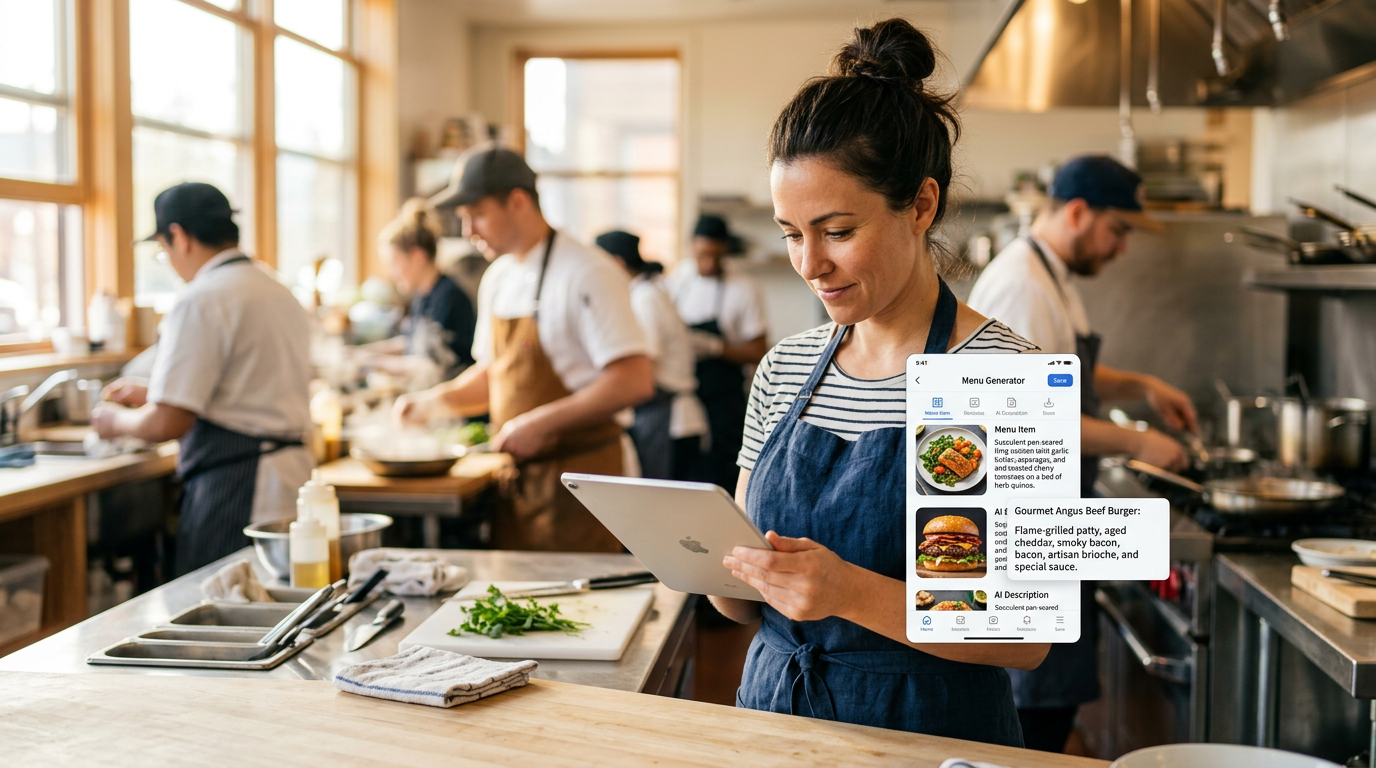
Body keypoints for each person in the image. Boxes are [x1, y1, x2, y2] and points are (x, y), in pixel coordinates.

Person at [710, 19, 1047, 746]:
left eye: (835, 230)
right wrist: (714, 563)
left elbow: (1025, 636)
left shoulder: (997, 376)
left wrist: (845, 591)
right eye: (791, 234)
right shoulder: (785, 368)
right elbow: (740, 603)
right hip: (773, 720)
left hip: (929, 737)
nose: (810, 265)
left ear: (921, 205)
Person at [966, 154, 1199, 753]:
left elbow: (1059, 373)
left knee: (1051, 706)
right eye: (1117, 230)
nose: (1121, 248)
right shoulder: (1021, 285)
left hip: (1051, 517)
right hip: (1024, 529)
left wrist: (1140, 386)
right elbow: (1020, 417)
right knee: (1035, 714)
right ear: (1077, 212)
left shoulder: (1050, 276)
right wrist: (1138, 440)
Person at [394, 147, 654, 552]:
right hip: (522, 485)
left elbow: (634, 381)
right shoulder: (498, 277)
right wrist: (433, 402)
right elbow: (494, 375)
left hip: (589, 481)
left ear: (517, 201)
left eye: (476, 215)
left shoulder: (588, 272)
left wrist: (540, 424)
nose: (468, 232)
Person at [93, 183, 313, 575]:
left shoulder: (202, 298)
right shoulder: (276, 289)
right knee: (281, 614)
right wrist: (154, 393)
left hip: (239, 487)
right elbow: (247, 385)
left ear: (178, 235)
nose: (169, 260)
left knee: (225, 614)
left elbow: (168, 422)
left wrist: (115, 422)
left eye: (163, 249)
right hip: (291, 479)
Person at [595, 230, 708, 481]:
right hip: (664, 419)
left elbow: (644, 368)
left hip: (674, 424)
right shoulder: (645, 293)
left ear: (617, 263)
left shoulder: (645, 299)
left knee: (670, 513)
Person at [665, 214, 767, 492]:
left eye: (715, 256)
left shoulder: (744, 288)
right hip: (688, 392)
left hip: (725, 401)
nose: (708, 263)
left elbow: (758, 351)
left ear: (726, 250)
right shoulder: (679, 278)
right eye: (702, 255)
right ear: (691, 248)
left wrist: (714, 346)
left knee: (722, 475)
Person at [375, 197, 477, 379]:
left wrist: (372, 363)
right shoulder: (422, 297)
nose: (392, 273)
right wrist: (364, 353)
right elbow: (410, 342)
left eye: (394, 263)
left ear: (417, 256)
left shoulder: (449, 298)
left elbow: (432, 366)